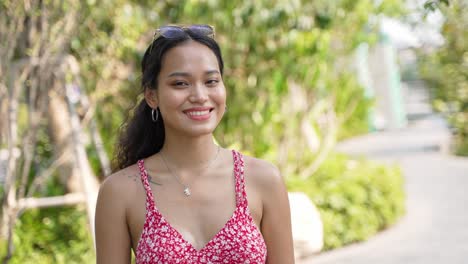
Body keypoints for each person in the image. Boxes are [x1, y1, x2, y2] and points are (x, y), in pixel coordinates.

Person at [95, 24, 294, 264]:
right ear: (152, 96)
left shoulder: (263, 179)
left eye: (211, 81)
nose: (200, 96)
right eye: (180, 83)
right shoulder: (120, 192)